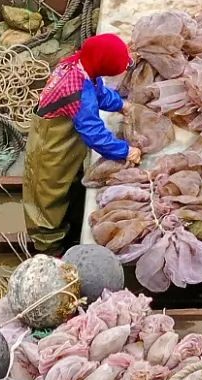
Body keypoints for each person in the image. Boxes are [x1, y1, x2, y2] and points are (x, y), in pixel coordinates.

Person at [23, 33, 139, 252]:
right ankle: (48, 248)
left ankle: (69, 230)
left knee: (69, 184)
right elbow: (94, 134)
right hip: (50, 146)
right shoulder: (78, 92)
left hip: (66, 141)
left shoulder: (81, 65)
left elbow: (99, 93)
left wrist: (121, 105)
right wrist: (126, 151)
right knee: (46, 196)